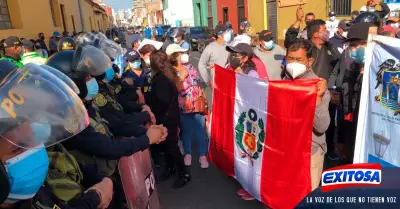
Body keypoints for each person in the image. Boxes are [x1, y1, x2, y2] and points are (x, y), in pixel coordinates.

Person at [0, 60, 114, 209]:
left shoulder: (34, 192)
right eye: (18, 147)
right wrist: (94, 198)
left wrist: (104, 181)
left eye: (33, 136)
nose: (34, 149)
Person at [283, 39, 330, 190]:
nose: (293, 63)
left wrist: (318, 99)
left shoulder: (318, 87)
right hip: (285, 149)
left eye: (298, 59)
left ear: (310, 61)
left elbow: (322, 127)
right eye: (290, 59)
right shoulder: (283, 81)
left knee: (305, 196)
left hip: (309, 152)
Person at [146, 50, 191, 188]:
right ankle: (170, 168)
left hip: (166, 116)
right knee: (165, 144)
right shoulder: (165, 74)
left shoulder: (162, 78)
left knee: (171, 145)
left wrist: (149, 103)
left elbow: (163, 101)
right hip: (168, 114)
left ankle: (184, 173)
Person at [334, 22, 373, 163]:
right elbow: (345, 109)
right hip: (351, 140)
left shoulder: (379, 77)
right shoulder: (350, 73)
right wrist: (341, 139)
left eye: (361, 44)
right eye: (352, 45)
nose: (356, 49)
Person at [166, 44, 209, 168]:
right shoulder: (170, 71)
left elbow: (198, 83)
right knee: (185, 130)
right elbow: (176, 88)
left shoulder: (189, 66)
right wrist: (182, 76)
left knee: (200, 129)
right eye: (180, 53)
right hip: (183, 105)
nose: (183, 55)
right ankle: (188, 154)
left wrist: (204, 97)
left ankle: (202, 156)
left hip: (197, 103)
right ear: (175, 56)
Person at [198, 24, 230, 88]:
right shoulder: (210, 48)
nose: (227, 33)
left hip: (228, 81)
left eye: (226, 31)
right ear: (218, 34)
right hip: (216, 83)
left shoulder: (229, 47)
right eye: (224, 32)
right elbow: (201, 65)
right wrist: (208, 80)